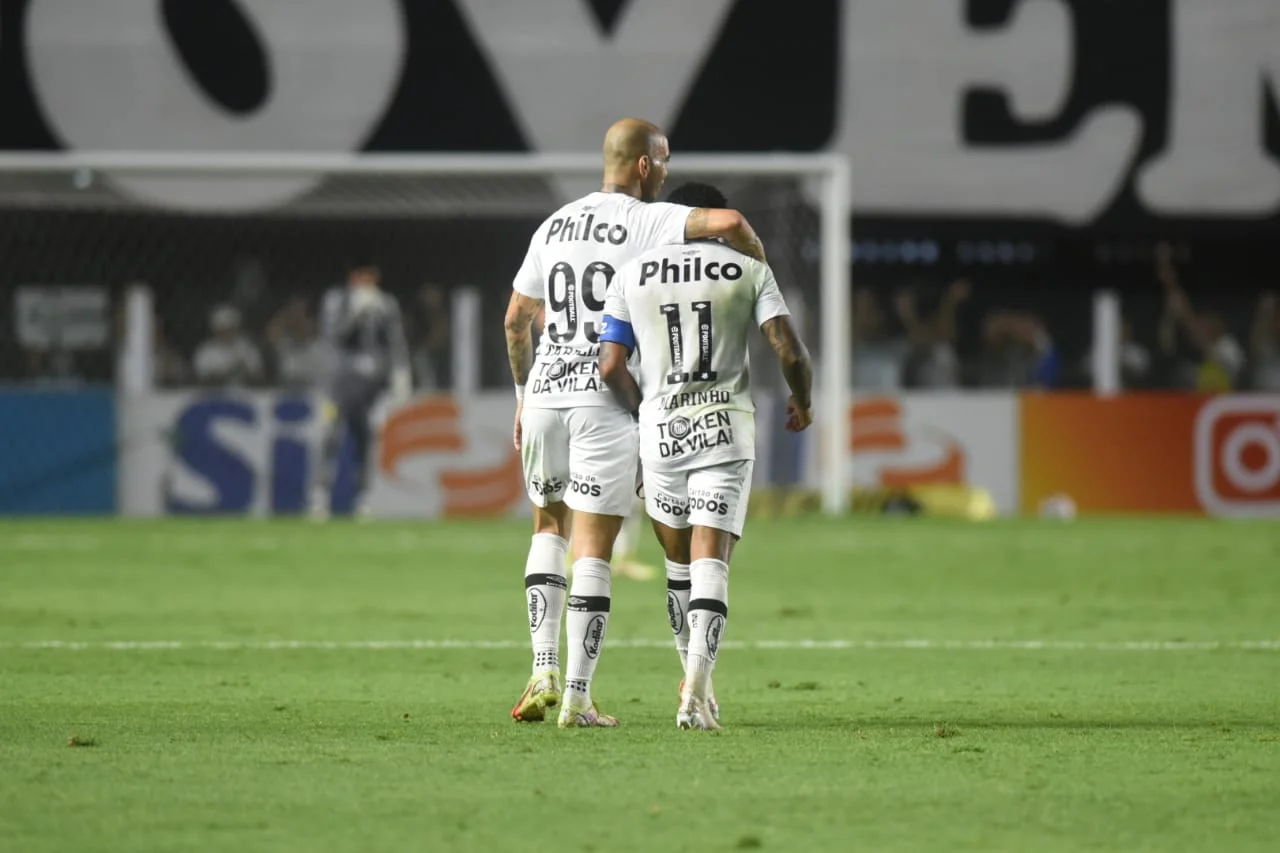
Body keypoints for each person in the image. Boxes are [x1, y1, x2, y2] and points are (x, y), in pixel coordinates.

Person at [504, 118, 768, 728]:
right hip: (609, 398)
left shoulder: (554, 224)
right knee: (600, 546)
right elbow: (726, 223)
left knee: (549, 526)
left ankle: (541, 665)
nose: (669, 172)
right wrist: (758, 271)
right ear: (645, 166)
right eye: (666, 161)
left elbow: (518, 318)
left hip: (545, 393)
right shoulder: (648, 220)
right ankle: (576, 696)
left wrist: (522, 393)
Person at [598, 182, 814, 731]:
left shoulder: (631, 273)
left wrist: (643, 409)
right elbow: (788, 348)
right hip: (724, 429)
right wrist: (803, 400)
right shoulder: (748, 268)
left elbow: (609, 366)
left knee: (678, 567)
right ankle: (696, 689)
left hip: (662, 431)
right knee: (710, 559)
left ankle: (697, 684)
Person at [310, 261, 412, 520]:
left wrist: (400, 373)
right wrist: (354, 313)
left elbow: (395, 342)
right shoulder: (336, 300)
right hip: (338, 384)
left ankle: (363, 498)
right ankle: (320, 497)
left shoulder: (385, 304)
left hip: (371, 387)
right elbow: (332, 337)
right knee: (329, 435)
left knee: (367, 437)